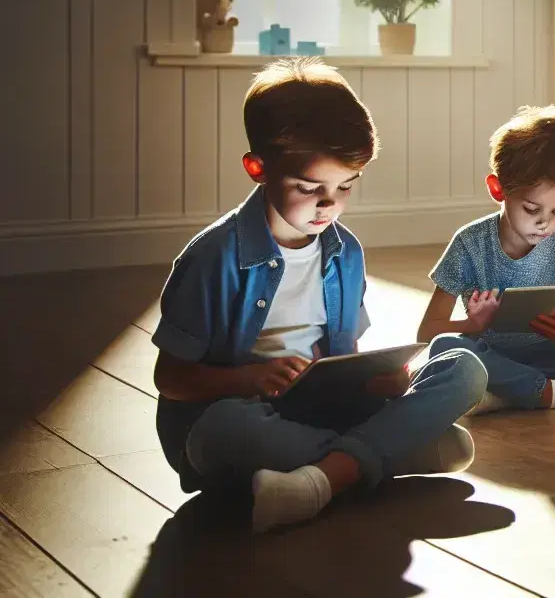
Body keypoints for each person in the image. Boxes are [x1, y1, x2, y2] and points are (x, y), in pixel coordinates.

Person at [152, 58, 484, 533]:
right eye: (310, 188)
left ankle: (321, 477)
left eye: (346, 186)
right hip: (236, 416)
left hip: (320, 409)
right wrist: (253, 378)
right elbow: (172, 379)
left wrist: (379, 380)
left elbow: (342, 359)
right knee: (223, 434)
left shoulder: (345, 252)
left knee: (463, 367)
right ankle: (376, 454)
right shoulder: (213, 257)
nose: (330, 204)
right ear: (258, 169)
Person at [419, 106, 555, 414]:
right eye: (531, 209)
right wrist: (472, 324)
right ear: (498, 189)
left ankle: (502, 392)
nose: (545, 224)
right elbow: (427, 332)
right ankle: (552, 392)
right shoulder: (469, 243)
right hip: (492, 354)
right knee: (446, 348)